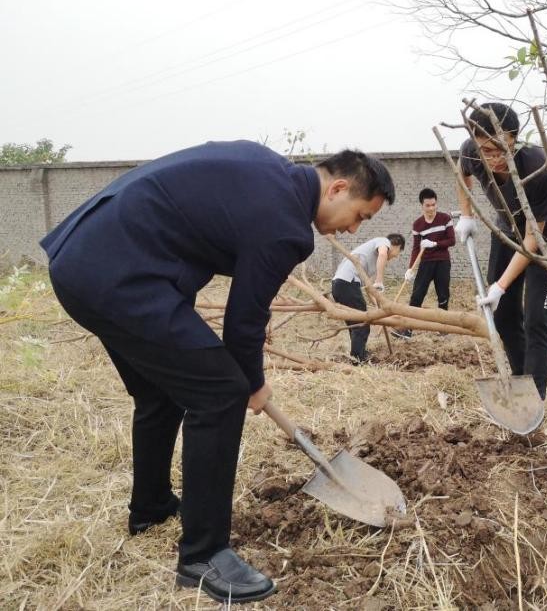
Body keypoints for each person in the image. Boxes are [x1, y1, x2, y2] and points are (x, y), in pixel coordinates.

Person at [39, 142, 395, 603]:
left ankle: (151, 507)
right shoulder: (286, 225)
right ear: (338, 188)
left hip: (81, 261)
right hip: (121, 277)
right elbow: (243, 324)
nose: (353, 228)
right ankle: (203, 556)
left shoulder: (264, 167)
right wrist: (253, 384)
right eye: (360, 216)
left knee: (162, 391)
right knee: (221, 392)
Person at [455, 102, 547, 401]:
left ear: (514, 138)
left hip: (546, 239)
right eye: (486, 151)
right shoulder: (471, 151)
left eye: (501, 150)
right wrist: (466, 214)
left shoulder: (537, 167)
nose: (494, 159)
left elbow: (533, 239)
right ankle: (521, 382)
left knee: (536, 319)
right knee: (503, 314)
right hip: (506, 231)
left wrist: (501, 285)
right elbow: (461, 172)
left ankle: (535, 399)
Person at [330, 233, 405, 362]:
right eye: (398, 251)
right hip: (347, 284)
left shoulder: (370, 259)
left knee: (355, 324)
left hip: (339, 285)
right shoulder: (383, 241)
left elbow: (369, 287)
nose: (396, 256)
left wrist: (377, 306)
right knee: (362, 323)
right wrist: (379, 280)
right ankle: (358, 358)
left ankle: (357, 353)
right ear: (396, 245)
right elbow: (383, 255)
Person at [393, 188, 456, 339]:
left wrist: (434, 244)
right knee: (417, 296)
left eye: (433, 204)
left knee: (443, 295)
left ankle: (443, 328)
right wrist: (410, 268)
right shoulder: (418, 225)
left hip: (442, 262)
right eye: (428, 205)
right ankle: (407, 330)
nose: (431, 208)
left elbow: (452, 240)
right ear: (422, 205)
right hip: (426, 263)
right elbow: (416, 248)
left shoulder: (445, 219)